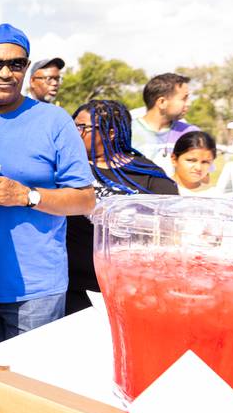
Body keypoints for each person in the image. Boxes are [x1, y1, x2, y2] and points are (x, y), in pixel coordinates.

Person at [0, 23, 95, 356]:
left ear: (25, 69)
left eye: (16, 64)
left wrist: (27, 196)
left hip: (37, 292)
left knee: (32, 389)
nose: (4, 72)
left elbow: (85, 199)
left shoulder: (55, 121)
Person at [66, 100, 177, 315]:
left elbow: (170, 229)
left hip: (131, 289)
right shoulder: (68, 169)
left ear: (110, 133)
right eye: (73, 126)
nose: (75, 133)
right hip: (75, 287)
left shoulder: (146, 174)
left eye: (82, 128)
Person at [132, 73, 198, 175]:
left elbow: (204, 178)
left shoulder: (192, 134)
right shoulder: (126, 132)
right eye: (183, 99)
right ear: (162, 102)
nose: (189, 103)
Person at [171, 131, 218, 196]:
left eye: (205, 162)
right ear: (174, 159)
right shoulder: (159, 191)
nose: (198, 168)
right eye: (191, 160)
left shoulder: (214, 195)